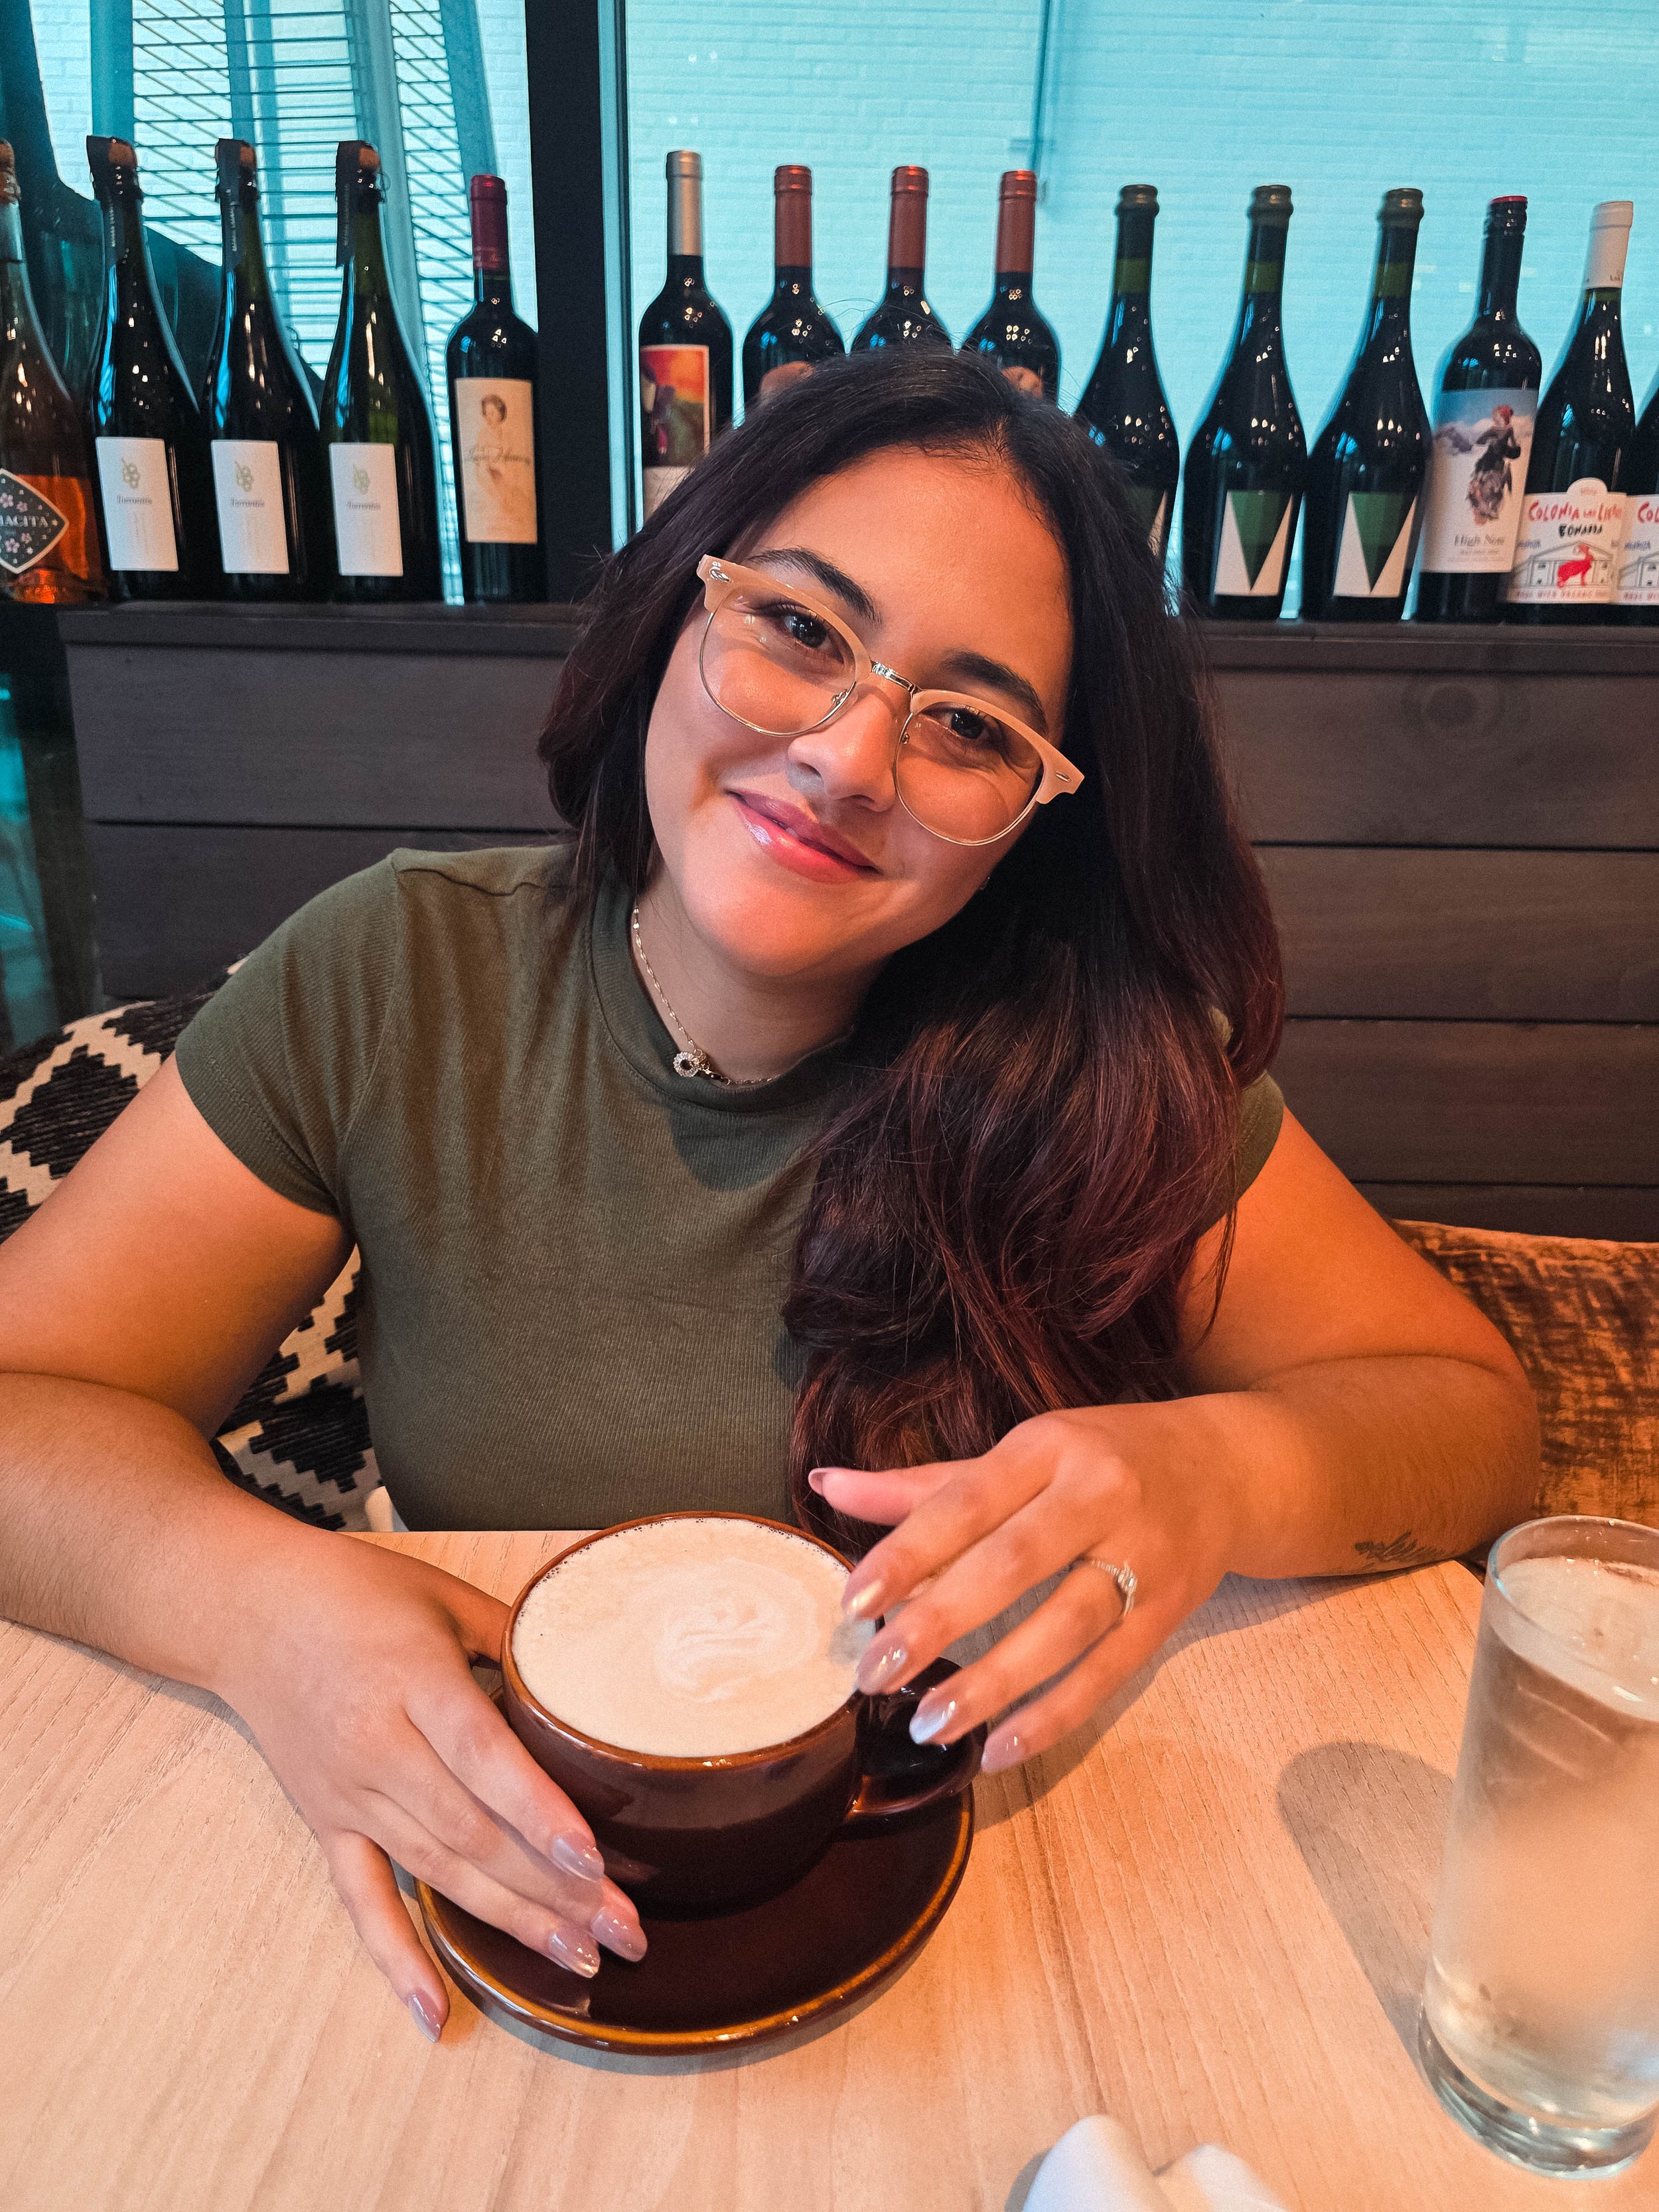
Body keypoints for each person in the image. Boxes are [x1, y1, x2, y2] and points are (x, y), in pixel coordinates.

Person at [0, 351, 1537, 2040]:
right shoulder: (395, 969)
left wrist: (1215, 1472)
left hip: (1033, 1930)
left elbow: (1469, 1422)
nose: (849, 757)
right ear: (680, 602)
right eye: (802, 630)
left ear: (1033, 812)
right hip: (483, 1927)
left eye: (968, 723)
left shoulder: (1110, 1063)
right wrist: (253, 1607)